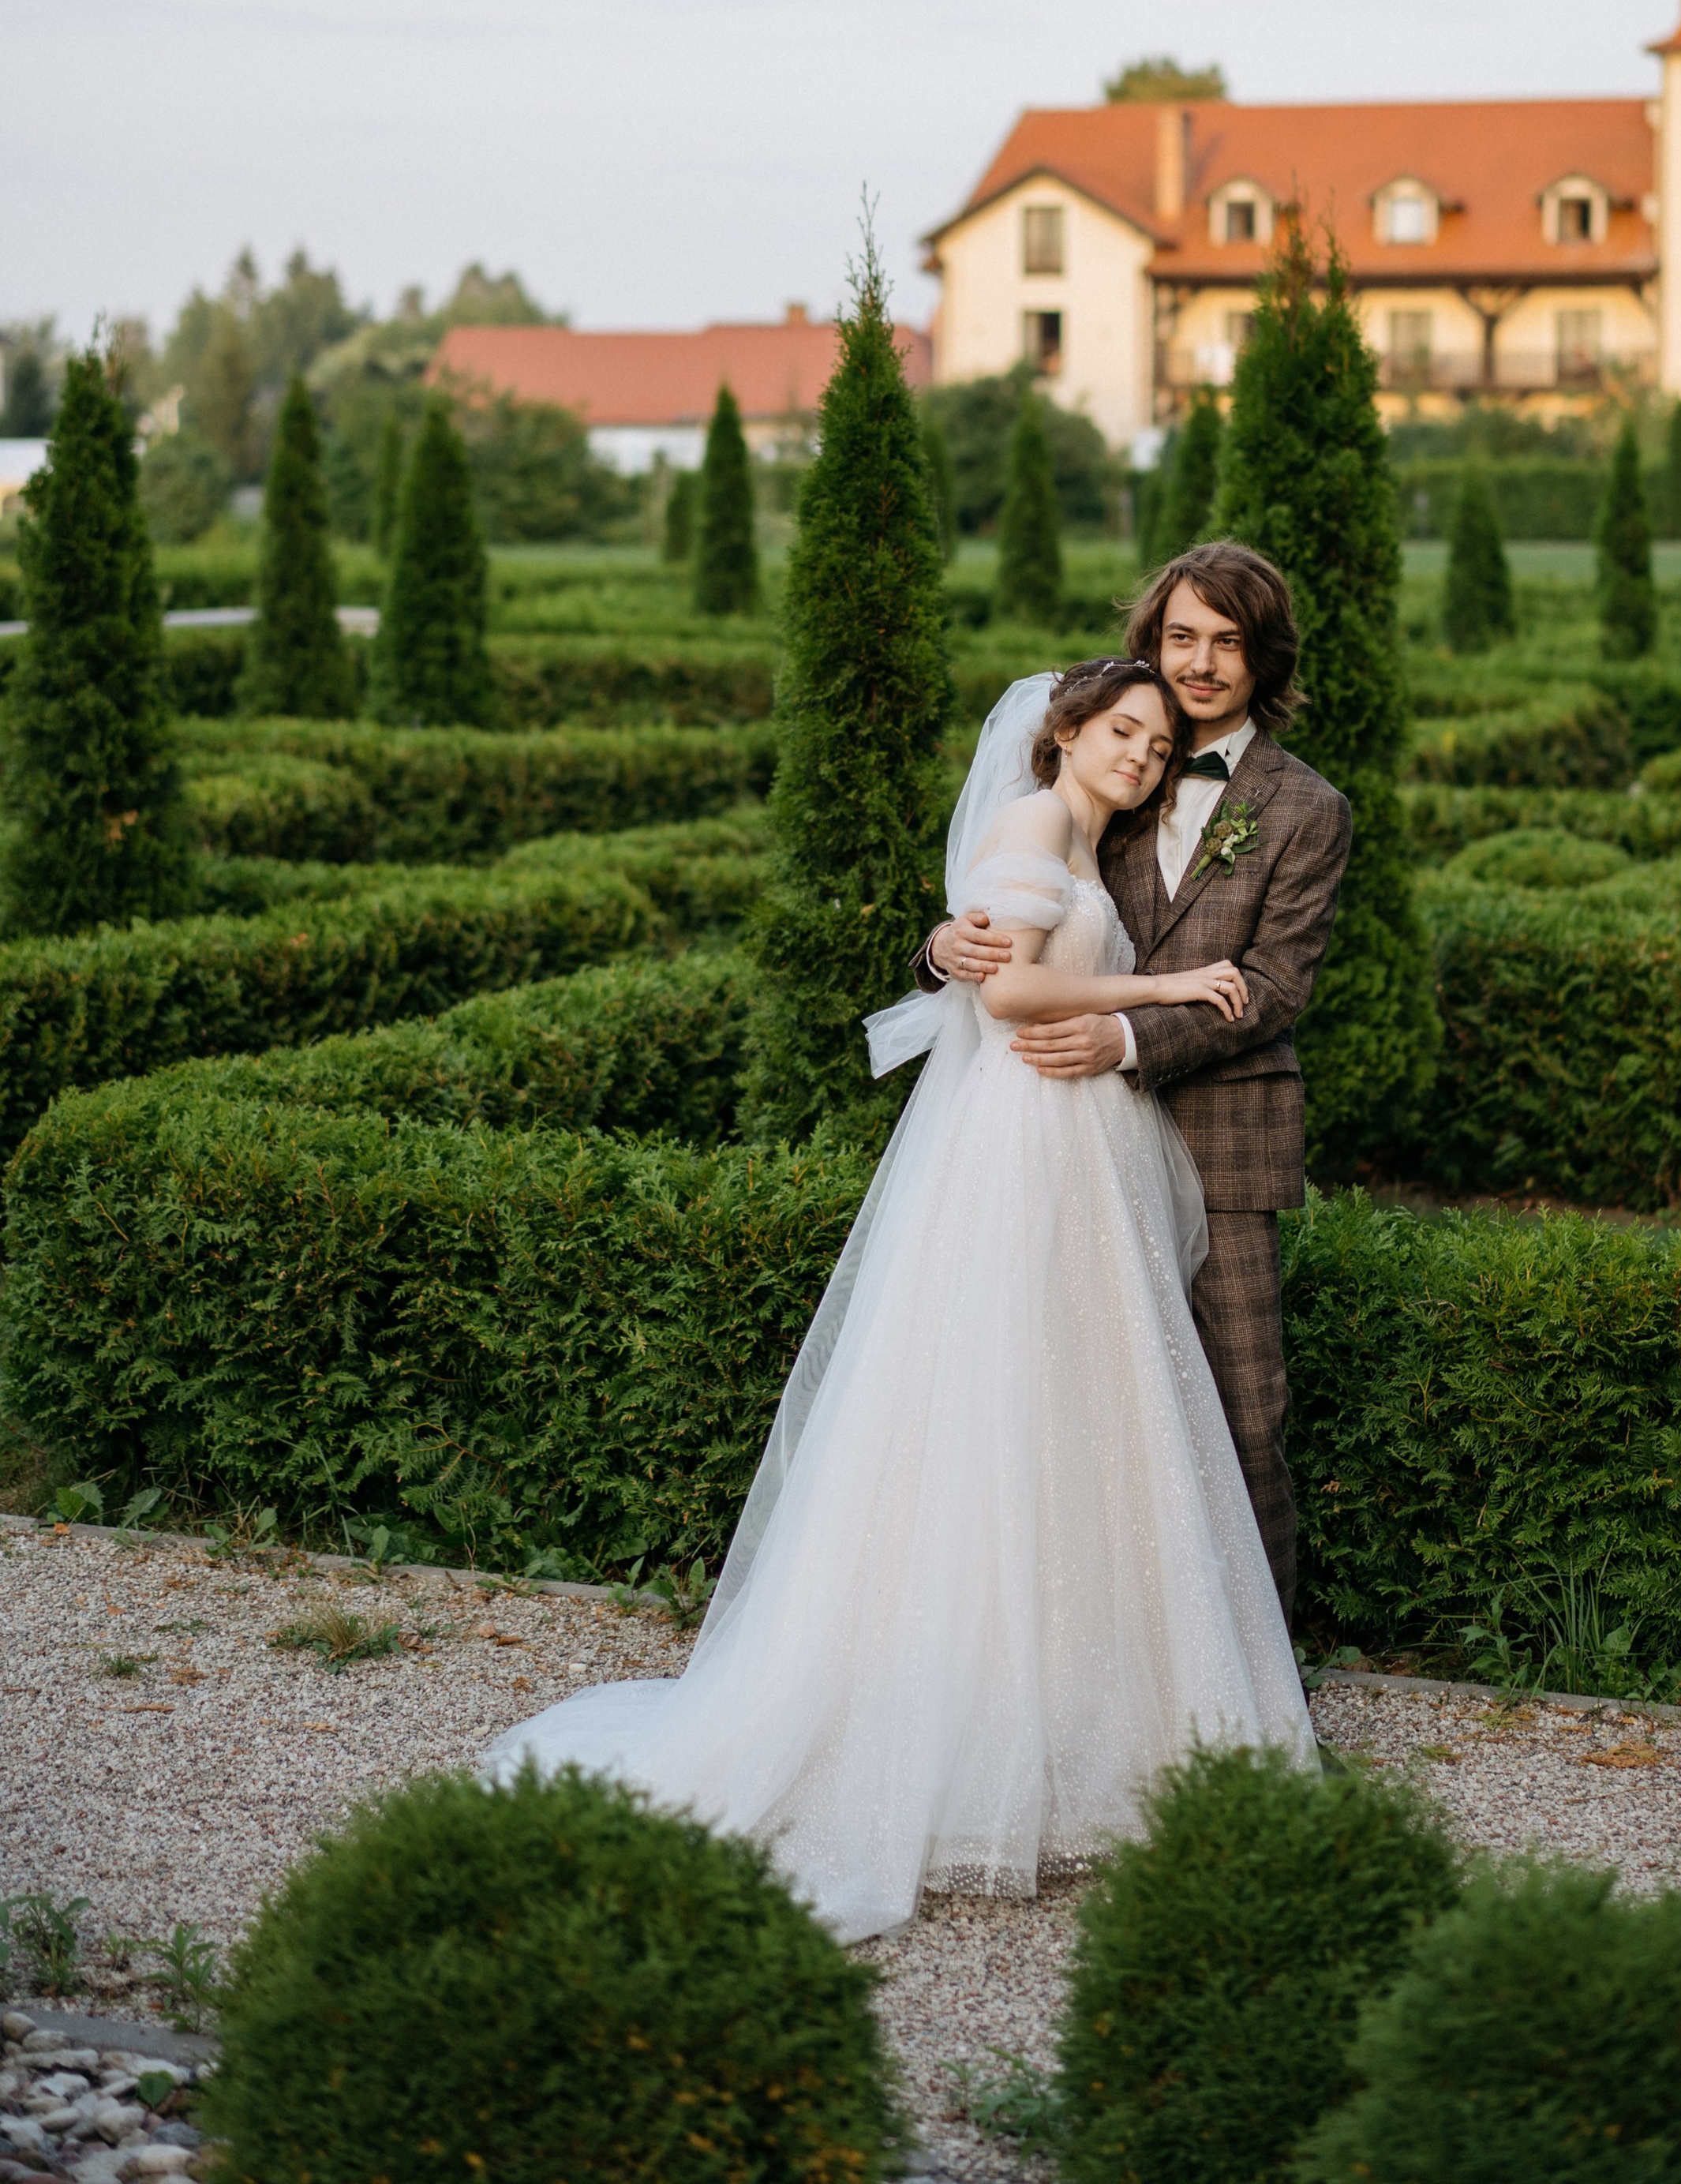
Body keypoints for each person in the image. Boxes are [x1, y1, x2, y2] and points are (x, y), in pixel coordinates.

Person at [486, 655, 1314, 1941]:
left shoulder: (1103, 836)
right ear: (1066, 731)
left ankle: (1077, 1707)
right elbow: (1010, 986)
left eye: (1157, 746)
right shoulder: (1035, 822)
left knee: (1079, 1417)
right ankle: (954, 1718)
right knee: (991, 1409)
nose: (1142, 757)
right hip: (1023, 1143)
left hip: (1079, 1141)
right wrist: (1154, 985)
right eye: (1122, 732)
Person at [919, 541, 1353, 1624]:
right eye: (1181, 637)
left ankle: (1254, 1675)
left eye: (1227, 642)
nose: (1201, 662)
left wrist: (1125, 1040)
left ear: (1263, 658)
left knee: (1244, 1410)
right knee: (1078, 1411)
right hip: (1066, 1142)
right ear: (1152, 644)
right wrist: (942, 946)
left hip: (1221, 1140)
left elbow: (1273, 986)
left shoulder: (1307, 808)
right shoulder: (1113, 763)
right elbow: (1019, 904)